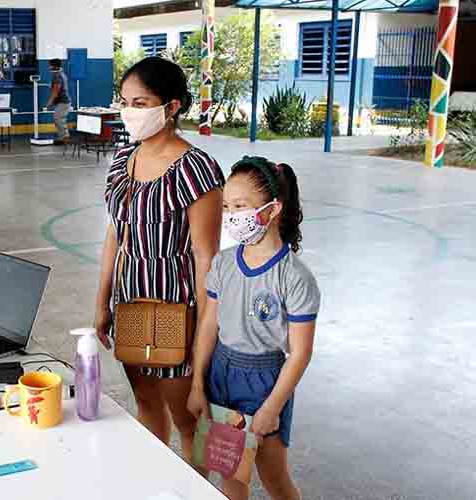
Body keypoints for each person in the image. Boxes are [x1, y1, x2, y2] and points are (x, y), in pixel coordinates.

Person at [94, 57, 224, 461]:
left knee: (189, 421)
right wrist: (102, 302)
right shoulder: (122, 160)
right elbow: (114, 235)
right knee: (147, 405)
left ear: (171, 107)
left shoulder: (195, 169)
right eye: (125, 102)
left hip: (176, 312)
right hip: (131, 306)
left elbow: (206, 257)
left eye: (140, 102)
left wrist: (205, 333)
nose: (129, 112)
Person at [187, 156, 320, 500]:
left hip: (265, 381)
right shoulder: (224, 263)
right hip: (221, 373)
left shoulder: (295, 277)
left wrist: (270, 409)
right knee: (231, 472)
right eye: (227, 206)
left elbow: (300, 353)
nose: (231, 216)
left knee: (274, 477)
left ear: (272, 209)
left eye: (241, 206)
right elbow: (208, 325)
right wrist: (198, 383)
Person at [45, 58, 71, 145]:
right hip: (62, 101)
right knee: (58, 118)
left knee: (58, 118)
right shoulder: (60, 74)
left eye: (50, 65)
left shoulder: (57, 76)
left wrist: (49, 102)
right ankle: (61, 137)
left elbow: (56, 91)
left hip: (63, 102)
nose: (49, 67)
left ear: (54, 66)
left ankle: (65, 138)